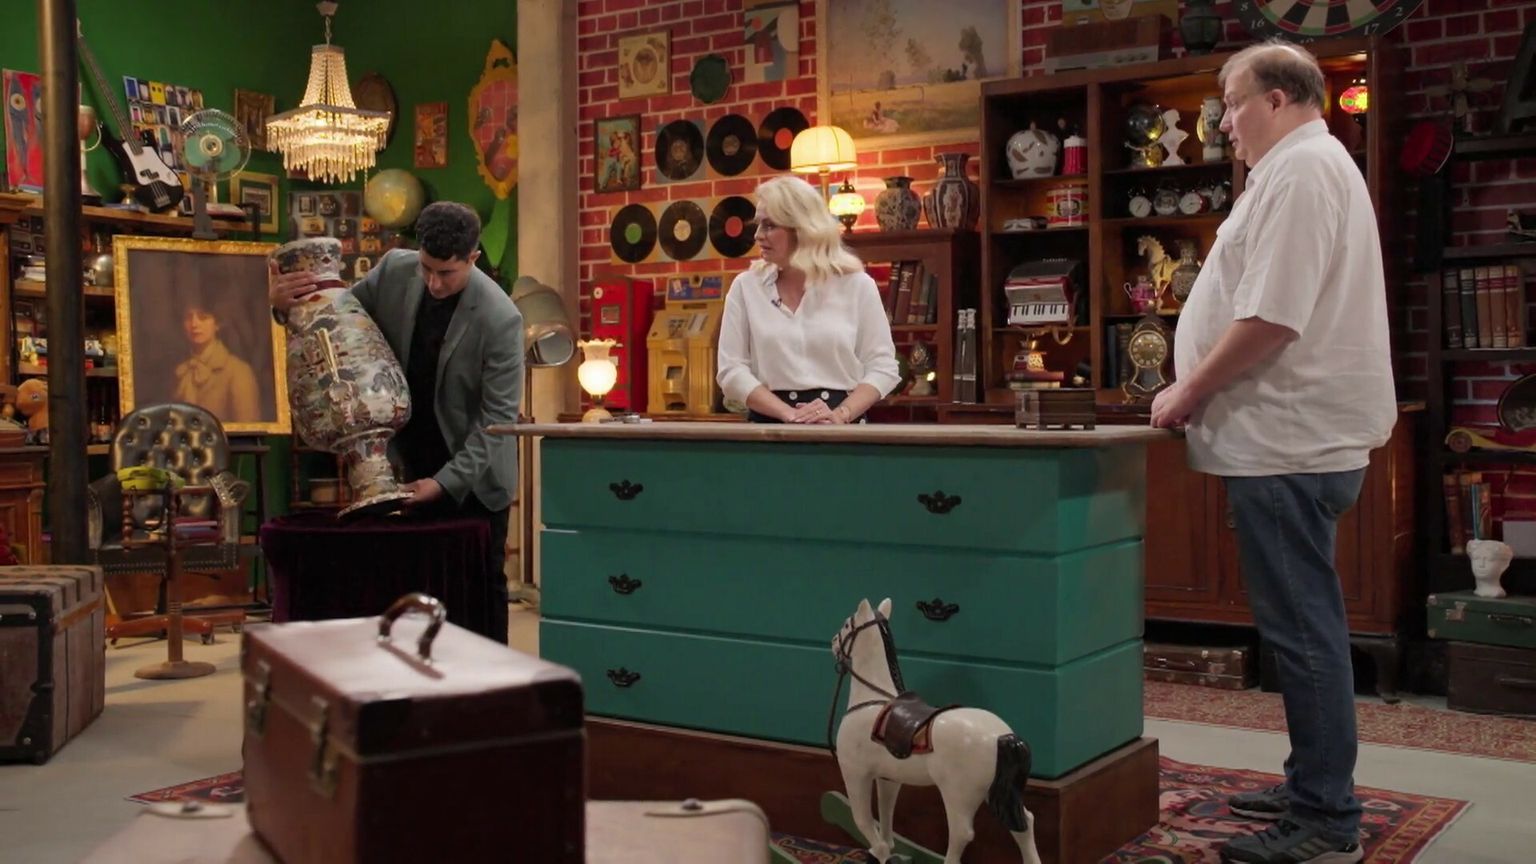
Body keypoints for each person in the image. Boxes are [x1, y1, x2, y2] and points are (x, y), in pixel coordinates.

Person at [1150, 41, 1395, 864]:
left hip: (1288, 440)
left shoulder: (1302, 172)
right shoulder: (1297, 169)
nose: (1223, 122)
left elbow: (1272, 318)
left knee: (1302, 631)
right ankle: (1309, 784)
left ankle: (1325, 816)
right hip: (1285, 439)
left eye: (1232, 102)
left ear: (1280, 99)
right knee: (1299, 625)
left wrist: (1188, 390)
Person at [268, 201, 524, 643]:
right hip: (406, 461)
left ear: (473, 258)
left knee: (479, 591)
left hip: (474, 481)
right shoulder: (392, 270)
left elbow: (498, 422)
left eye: (447, 273)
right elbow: (336, 318)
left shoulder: (502, 319)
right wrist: (281, 306)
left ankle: (493, 680)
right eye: (426, 268)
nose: (433, 282)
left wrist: (443, 484)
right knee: (414, 589)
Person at [717, 175, 899, 424]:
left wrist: (841, 415)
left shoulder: (857, 285)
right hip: (770, 426)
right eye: (758, 225)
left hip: (841, 425)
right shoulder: (745, 287)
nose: (758, 235)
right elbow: (731, 370)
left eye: (769, 225)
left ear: (802, 229)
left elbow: (883, 366)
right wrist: (789, 414)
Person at [173, 302, 260, 423]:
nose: (194, 324)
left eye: (203, 317)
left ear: (217, 324)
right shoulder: (180, 371)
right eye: (188, 318)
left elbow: (247, 427)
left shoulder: (238, 371)